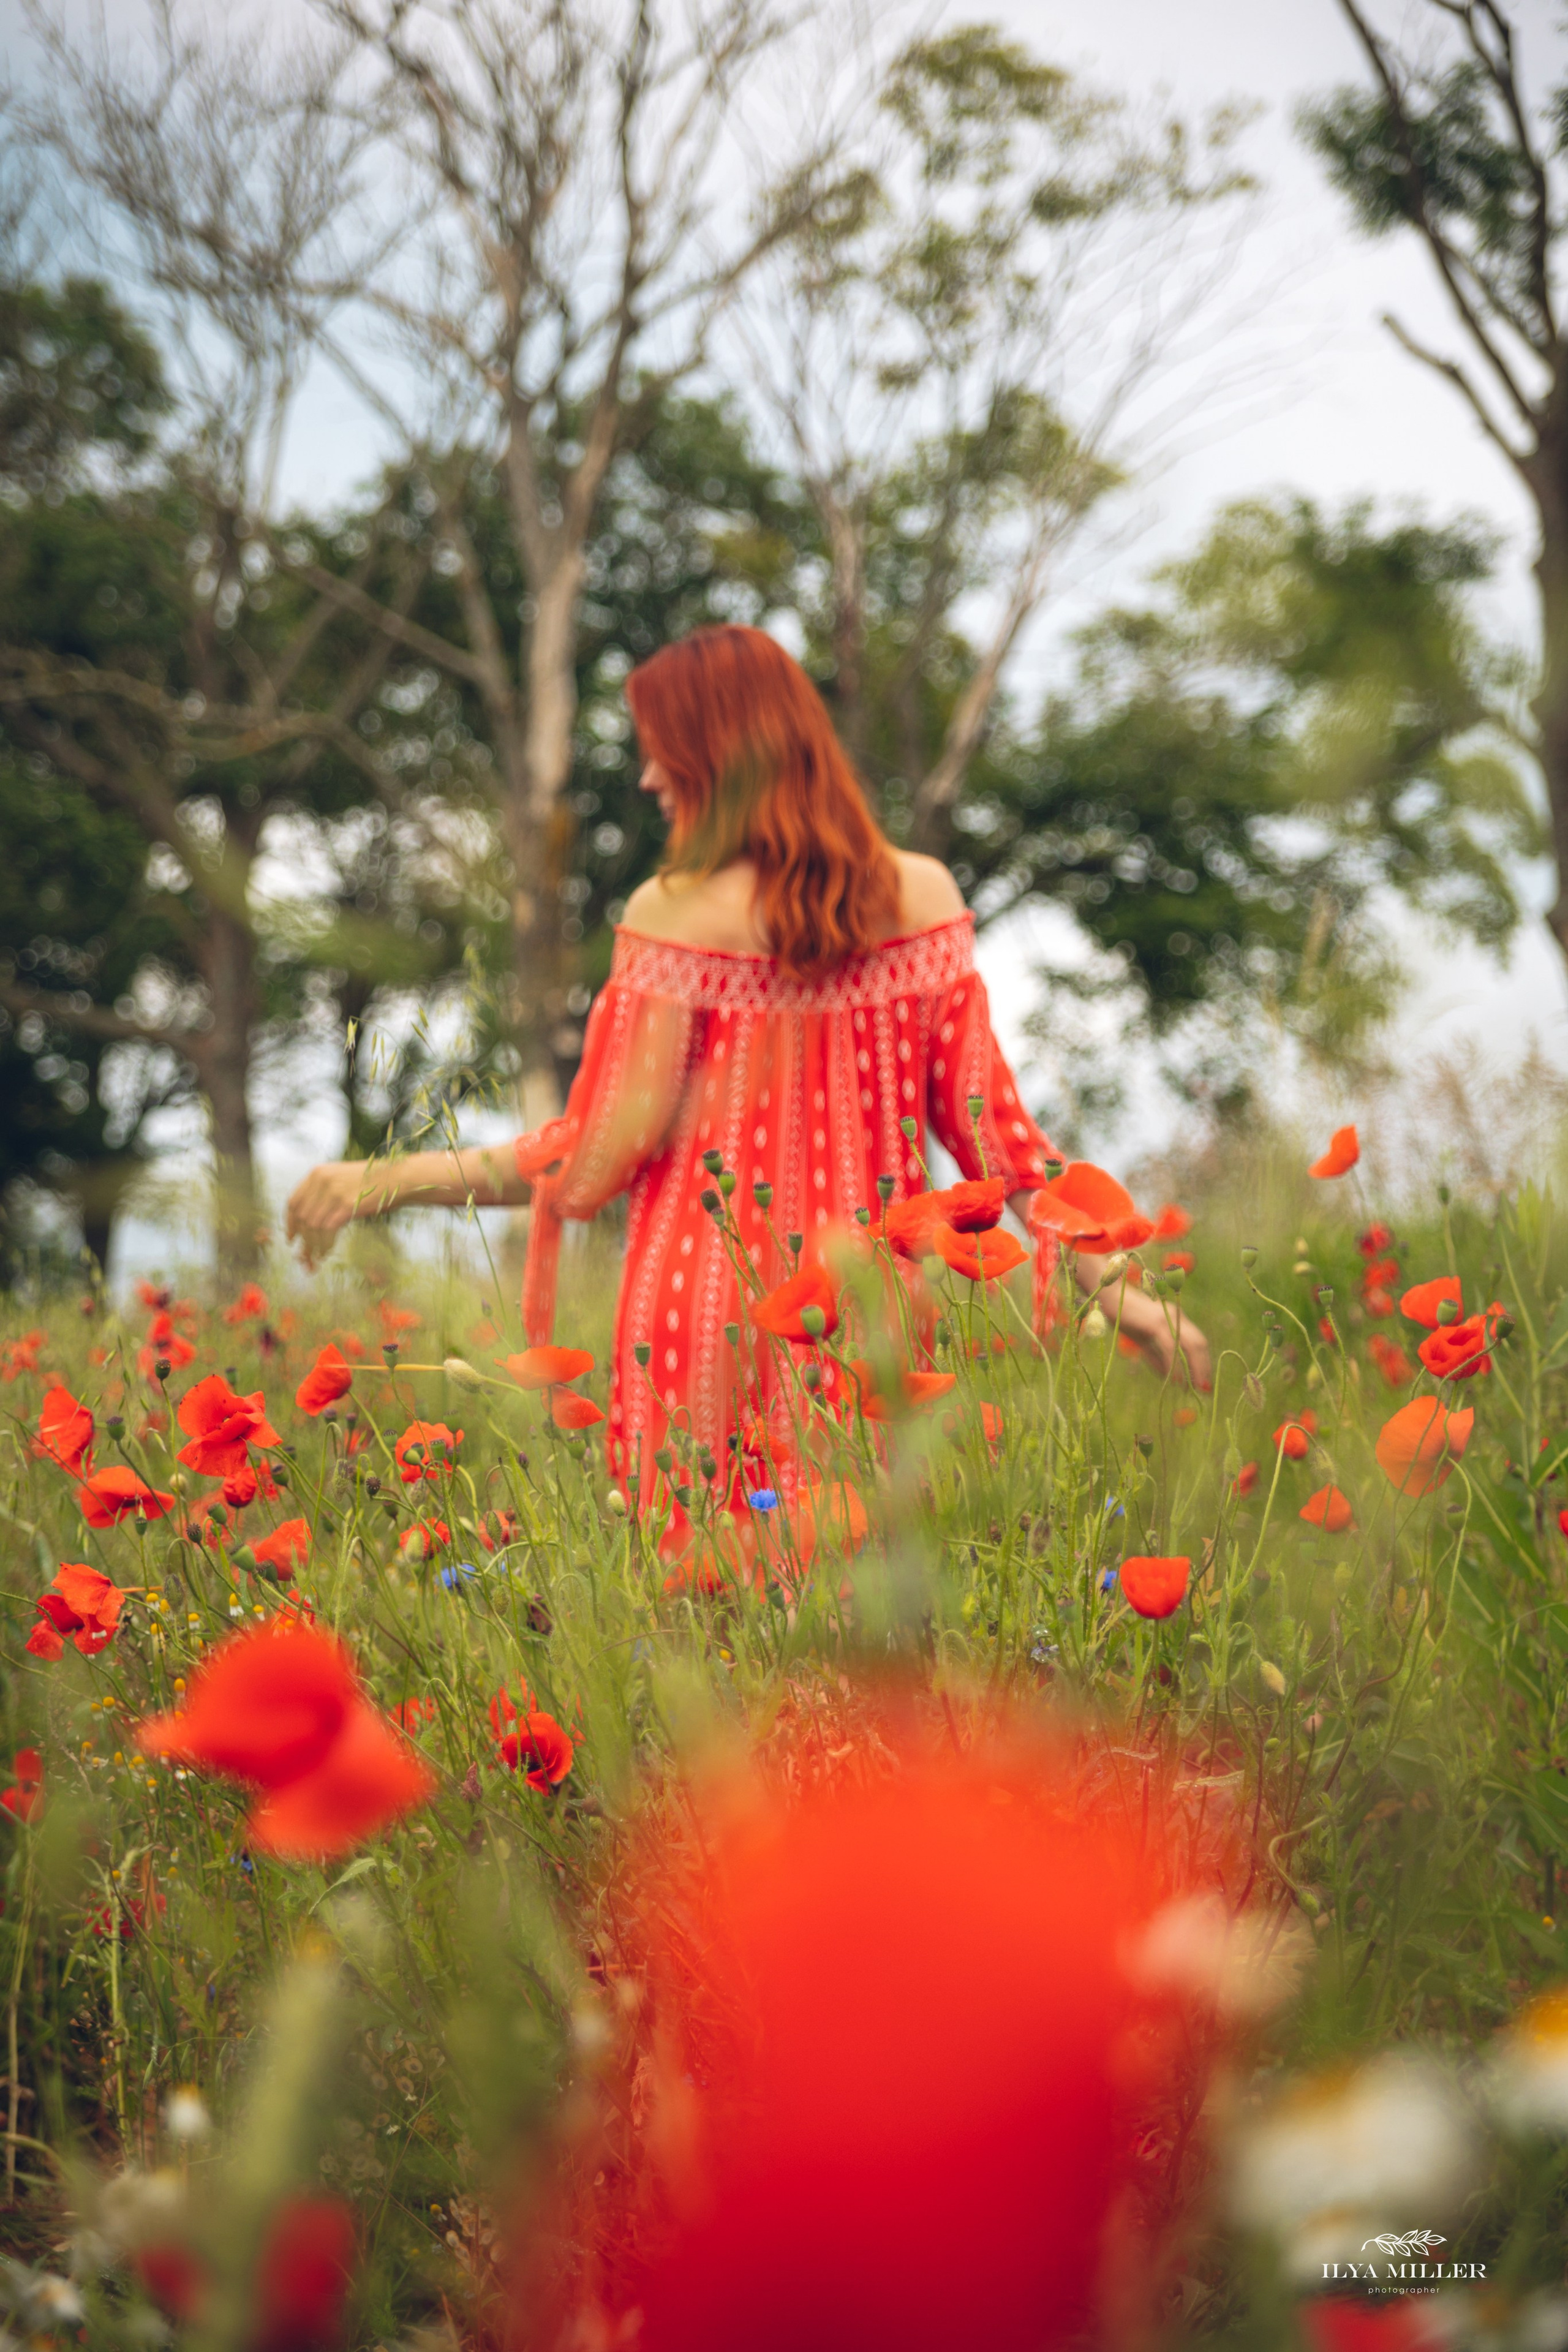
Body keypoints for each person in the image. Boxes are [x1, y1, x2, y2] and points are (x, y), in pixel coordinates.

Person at [285, 626, 1208, 1507]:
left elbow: (589, 1161)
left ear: (720, 761)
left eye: (665, 755)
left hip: (697, 1334)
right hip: (872, 1336)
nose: (649, 779)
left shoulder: (672, 914)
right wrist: (1120, 1289)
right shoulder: (924, 898)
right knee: (862, 1598)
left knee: (708, 1602)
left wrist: (384, 1178)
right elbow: (1002, 1143)